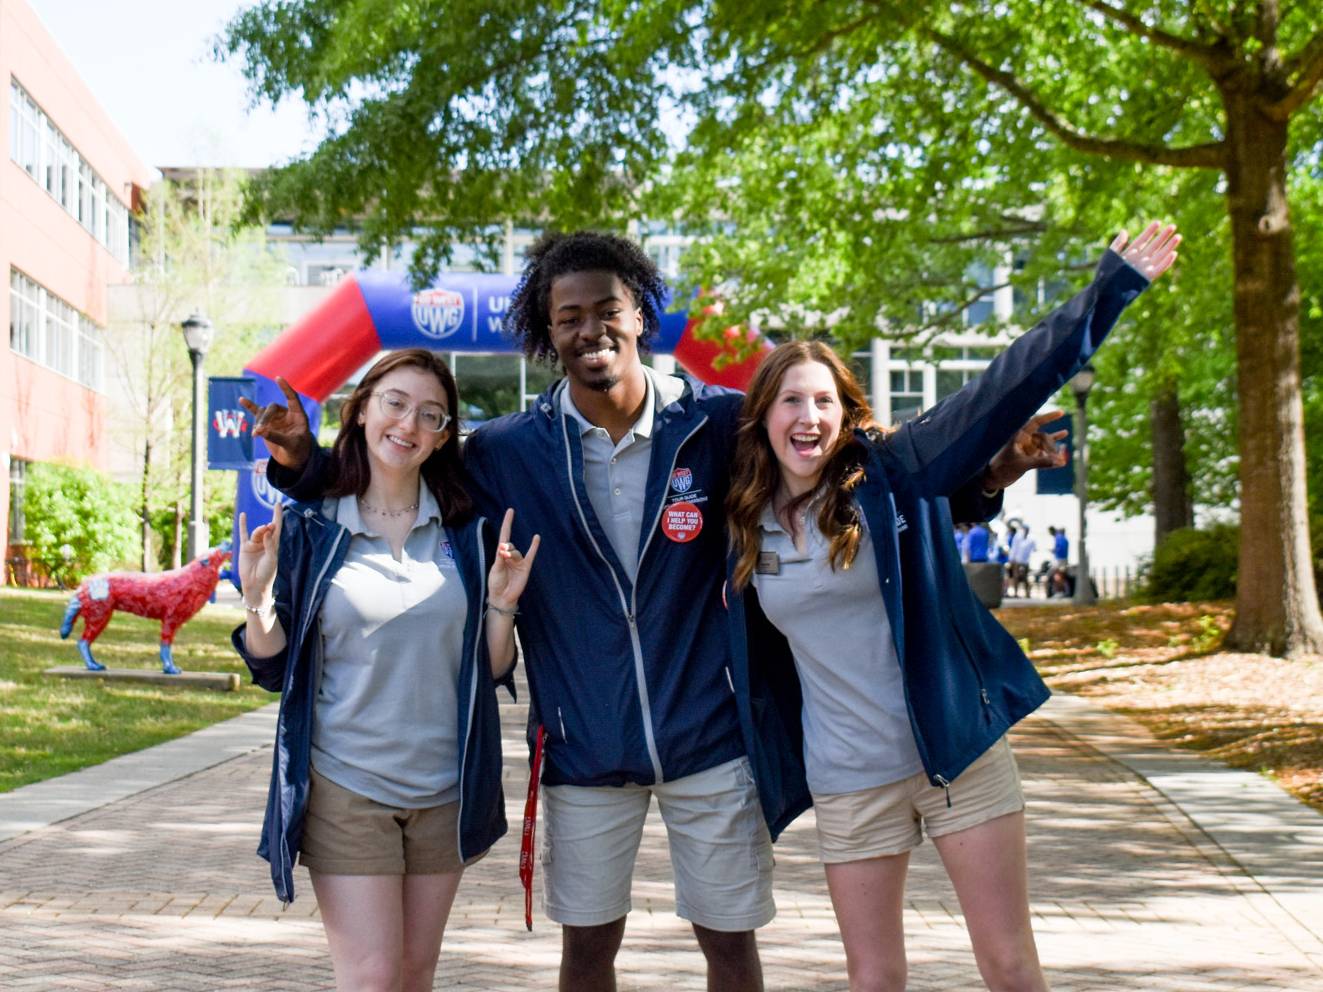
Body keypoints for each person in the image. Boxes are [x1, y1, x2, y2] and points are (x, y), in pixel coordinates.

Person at [246, 231, 1070, 992]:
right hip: (582, 744)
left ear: (639, 314)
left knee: (728, 943)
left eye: (607, 310)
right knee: (588, 949)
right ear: (547, 331)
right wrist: (301, 462)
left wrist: (985, 476)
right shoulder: (505, 452)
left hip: (709, 737)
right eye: (567, 317)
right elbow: (401, 467)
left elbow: (848, 472)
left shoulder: (715, 424)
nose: (589, 329)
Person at [724, 222, 1179, 992]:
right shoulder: (741, 520)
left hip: (955, 757)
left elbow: (1000, 387)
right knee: (873, 977)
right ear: (763, 414)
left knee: (1006, 964)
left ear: (845, 413)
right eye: (790, 400)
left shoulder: (893, 472)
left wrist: (1110, 288)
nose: (808, 417)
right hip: (846, 778)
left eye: (824, 401)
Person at [231, 349, 539, 992]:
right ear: (362, 409)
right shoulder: (315, 527)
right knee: (371, 977)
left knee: (414, 974)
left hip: (444, 793)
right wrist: (258, 601)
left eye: (431, 415)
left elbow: (490, 669)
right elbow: (272, 665)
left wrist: (502, 606)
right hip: (347, 787)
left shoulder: (467, 533)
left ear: (445, 436)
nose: (409, 424)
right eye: (395, 403)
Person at [1009, 523, 1037, 598]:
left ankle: (1027, 593)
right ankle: (1015, 593)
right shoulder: (1018, 537)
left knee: (1025, 577)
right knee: (1016, 577)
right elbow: (1014, 548)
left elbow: (1034, 549)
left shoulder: (1031, 539)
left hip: (1025, 561)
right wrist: (1011, 559)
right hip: (1017, 560)